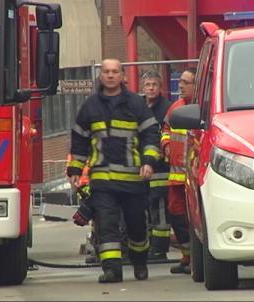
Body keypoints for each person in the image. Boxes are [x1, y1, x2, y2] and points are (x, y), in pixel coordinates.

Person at [67, 58, 160, 283]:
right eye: (106, 72)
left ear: (123, 76)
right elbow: (80, 140)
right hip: (102, 179)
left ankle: (139, 262)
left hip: (132, 179)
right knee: (106, 226)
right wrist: (75, 169)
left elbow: (151, 135)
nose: (110, 75)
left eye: (115, 72)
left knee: (137, 226)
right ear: (101, 76)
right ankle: (112, 270)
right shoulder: (90, 106)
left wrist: (148, 161)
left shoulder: (137, 104)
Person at [161, 67, 196, 274]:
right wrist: (165, 145)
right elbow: (165, 130)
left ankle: (195, 259)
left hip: (195, 176)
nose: (180, 85)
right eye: (180, 81)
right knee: (178, 217)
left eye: (185, 82)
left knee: (194, 220)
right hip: (176, 176)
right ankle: (187, 257)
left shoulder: (204, 108)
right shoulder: (175, 108)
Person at [141, 70, 172, 260]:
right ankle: (149, 245)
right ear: (142, 88)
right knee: (146, 208)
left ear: (160, 88)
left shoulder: (166, 109)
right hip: (143, 168)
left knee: (160, 209)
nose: (151, 88)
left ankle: (159, 249)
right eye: (148, 85)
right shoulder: (140, 108)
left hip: (160, 169)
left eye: (154, 85)